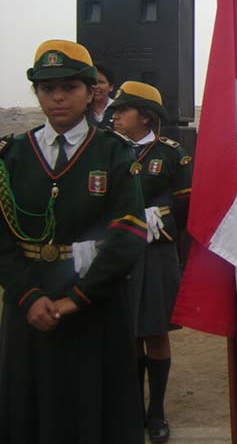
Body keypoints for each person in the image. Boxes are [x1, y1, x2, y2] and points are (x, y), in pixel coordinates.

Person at [0, 40, 146, 443]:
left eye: (70, 87)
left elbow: (129, 233)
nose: (59, 97)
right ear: (37, 94)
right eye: (48, 89)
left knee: (93, 410)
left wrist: (79, 296)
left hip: (92, 306)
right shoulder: (12, 155)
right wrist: (28, 296)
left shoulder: (114, 153)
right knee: (30, 409)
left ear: (91, 92)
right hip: (27, 303)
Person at [110, 81, 192, 443]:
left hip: (158, 251)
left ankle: (156, 409)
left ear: (144, 116)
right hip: (119, 255)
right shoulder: (107, 151)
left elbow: (188, 205)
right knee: (124, 333)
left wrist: (162, 215)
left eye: (123, 110)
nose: (115, 116)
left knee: (156, 332)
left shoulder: (172, 154)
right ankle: (128, 406)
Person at [87, 65, 116, 129]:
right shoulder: (81, 110)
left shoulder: (118, 108)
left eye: (101, 82)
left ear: (111, 87)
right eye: (93, 82)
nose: (96, 86)